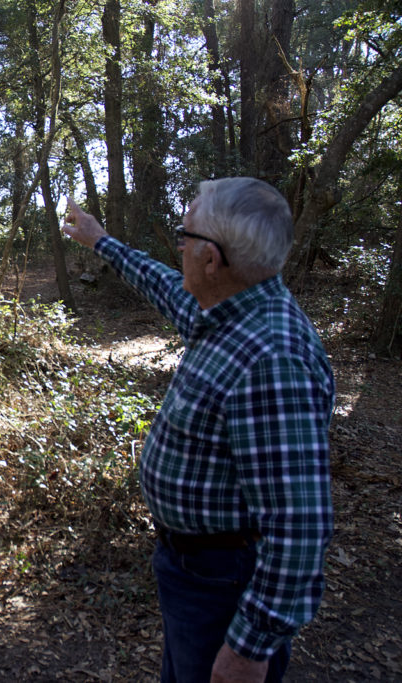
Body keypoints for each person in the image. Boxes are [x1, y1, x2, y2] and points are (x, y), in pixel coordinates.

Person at [62, 177, 334, 682]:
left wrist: (248, 650)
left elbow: (300, 529)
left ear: (211, 259)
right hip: (193, 571)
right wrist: (100, 240)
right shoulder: (231, 310)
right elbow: (165, 286)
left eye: (184, 235)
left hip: (224, 582)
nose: (179, 244)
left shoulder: (271, 359)